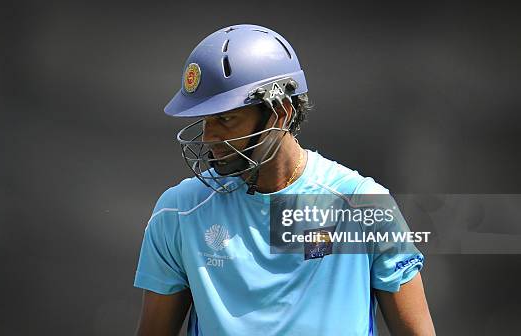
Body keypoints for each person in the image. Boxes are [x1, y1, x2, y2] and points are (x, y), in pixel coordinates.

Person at [134, 24, 435, 335]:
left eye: (224, 118)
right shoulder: (179, 211)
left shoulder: (363, 205)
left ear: (281, 113)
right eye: (205, 120)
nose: (210, 137)